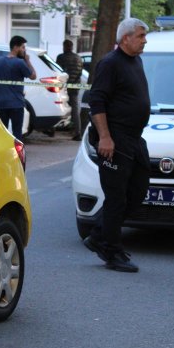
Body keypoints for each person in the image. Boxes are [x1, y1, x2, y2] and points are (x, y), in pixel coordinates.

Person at [81, 18, 150, 273]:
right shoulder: (110, 63)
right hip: (115, 139)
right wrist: (106, 137)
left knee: (139, 189)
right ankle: (111, 250)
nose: (145, 40)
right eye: (141, 35)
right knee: (116, 197)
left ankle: (99, 235)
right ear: (125, 39)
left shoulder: (136, 60)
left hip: (134, 138)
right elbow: (96, 102)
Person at [0, 35, 36, 141]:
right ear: (15, 47)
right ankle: (17, 155)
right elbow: (33, 76)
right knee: (17, 133)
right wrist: (27, 60)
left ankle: (3, 154)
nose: (24, 50)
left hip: (1, 104)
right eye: (22, 47)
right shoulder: (20, 62)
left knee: (2, 132)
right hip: (16, 103)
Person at [56, 39, 84, 140]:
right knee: (75, 110)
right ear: (72, 47)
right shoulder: (78, 58)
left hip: (63, 87)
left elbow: (58, 71)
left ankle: (54, 128)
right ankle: (77, 132)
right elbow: (80, 73)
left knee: (59, 106)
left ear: (64, 46)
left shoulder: (61, 57)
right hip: (75, 87)